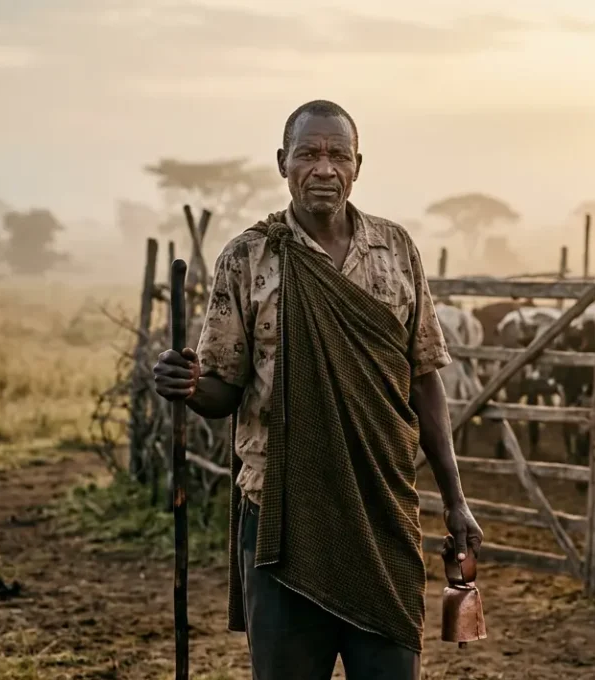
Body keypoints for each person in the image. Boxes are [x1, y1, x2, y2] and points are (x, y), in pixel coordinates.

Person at [152, 99, 483, 680]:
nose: (324, 168)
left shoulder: (396, 251)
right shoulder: (249, 256)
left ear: (358, 166)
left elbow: (425, 379)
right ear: (283, 162)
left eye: (338, 155)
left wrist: (455, 499)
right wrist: (188, 384)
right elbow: (223, 394)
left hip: (381, 509)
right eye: (308, 153)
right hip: (281, 512)